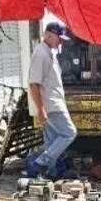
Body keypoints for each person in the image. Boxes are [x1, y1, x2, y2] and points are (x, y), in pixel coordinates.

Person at [26, 21, 77, 179]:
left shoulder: (49, 53)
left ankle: (50, 175)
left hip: (52, 104)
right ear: (47, 35)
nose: (61, 41)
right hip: (51, 105)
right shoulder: (40, 54)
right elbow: (34, 84)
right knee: (69, 133)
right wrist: (41, 110)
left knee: (52, 140)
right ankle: (43, 160)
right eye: (58, 38)